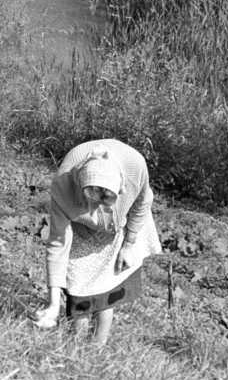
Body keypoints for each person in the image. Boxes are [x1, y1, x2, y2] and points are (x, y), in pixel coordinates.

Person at [34, 138, 161, 345]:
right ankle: (74, 349)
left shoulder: (135, 167)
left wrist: (129, 243)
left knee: (107, 291)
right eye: (93, 195)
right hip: (80, 227)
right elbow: (58, 242)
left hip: (121, 227)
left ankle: (96, 351)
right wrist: (53, 304)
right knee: (78, 290)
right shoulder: (63, 184)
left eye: (107, 197)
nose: (99, 204)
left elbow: (143, 201)